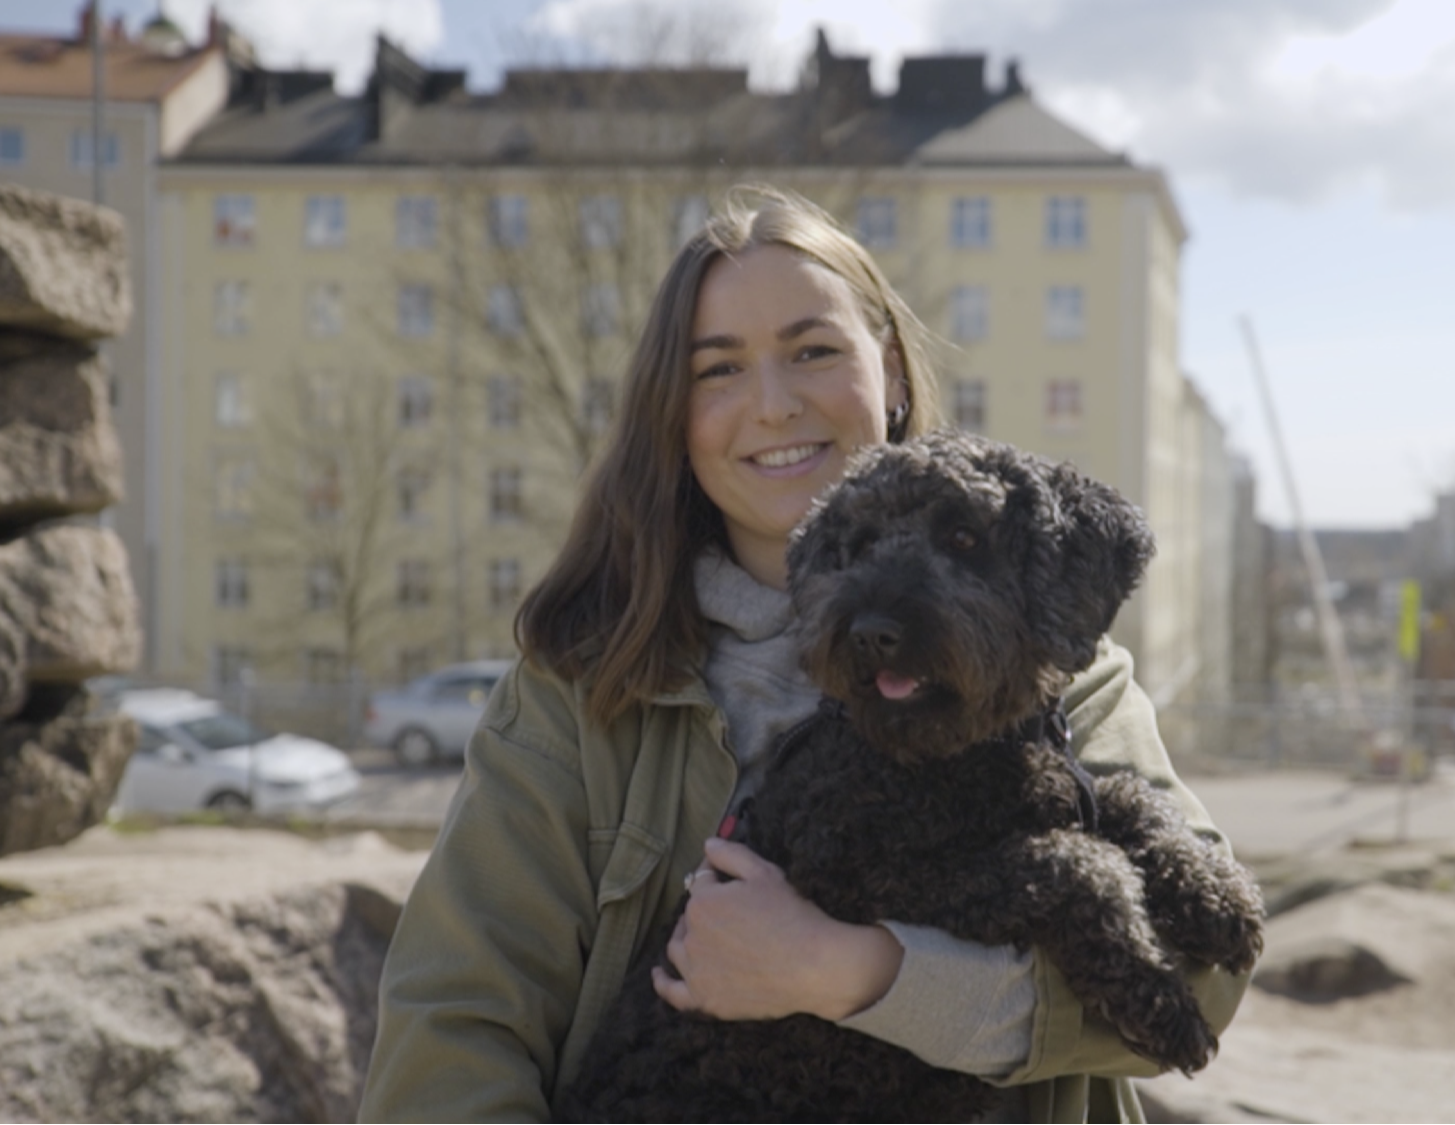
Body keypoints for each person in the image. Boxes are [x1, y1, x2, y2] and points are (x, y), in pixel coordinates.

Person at [357, 186, 1252, 1124]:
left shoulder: (1058, 664)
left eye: (812, 352)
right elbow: (452, 1027)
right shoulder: (578, 692)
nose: (774, 405)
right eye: (718, 370)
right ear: (674, 414)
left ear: (892, 370)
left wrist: (853, 974)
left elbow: (1204, 975)